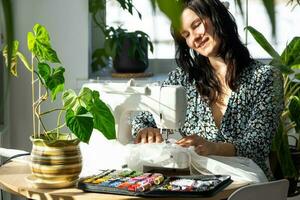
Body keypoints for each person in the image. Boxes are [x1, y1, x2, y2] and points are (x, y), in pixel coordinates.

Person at [131, 0, 284, 180]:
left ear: (217, 17)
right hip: (195, 184)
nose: (194, 37)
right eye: (186, 34)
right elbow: (143, 117)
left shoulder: (265, 78)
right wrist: (146, 130)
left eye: (196, 25)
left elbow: (257, 145)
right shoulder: (182, 79)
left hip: (246, 185)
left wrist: (213, 147)